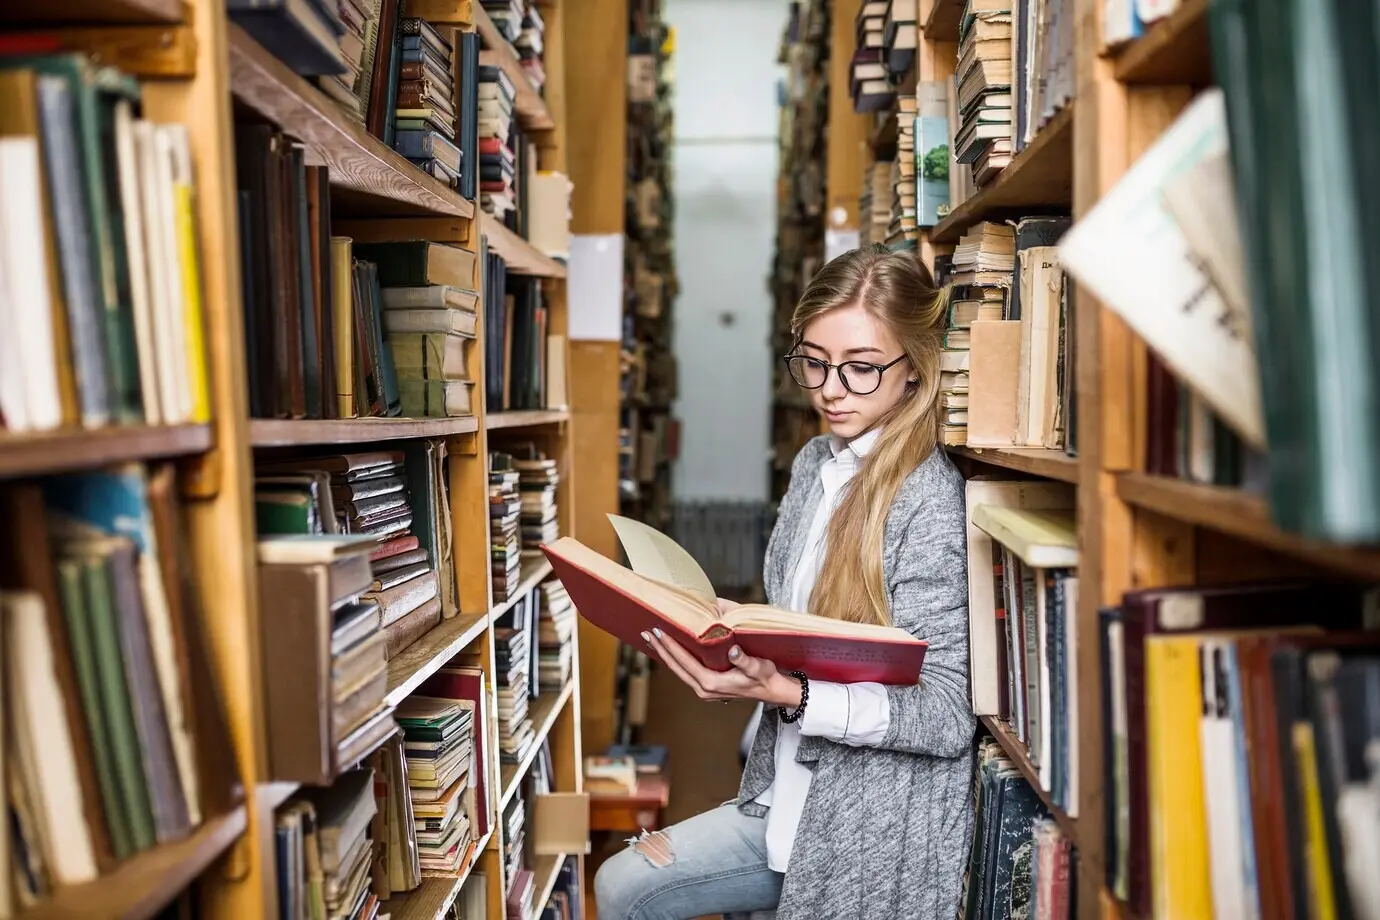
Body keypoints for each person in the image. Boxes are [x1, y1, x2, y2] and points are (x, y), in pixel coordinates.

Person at [593, 244, 976, 920]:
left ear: (915, 368)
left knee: (630, 889)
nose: (830, 389)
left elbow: (946, 714)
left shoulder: (931, 502)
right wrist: (731, 639)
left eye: (861, 367)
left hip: (867, 825)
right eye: (815, 362)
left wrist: (790, 694)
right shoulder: (814, 463)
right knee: (624, 885)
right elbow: (800, 623)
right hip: (782, 786)